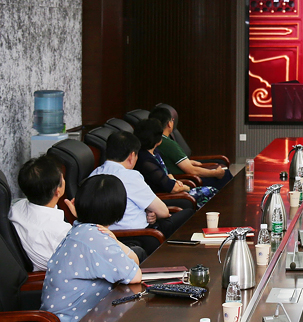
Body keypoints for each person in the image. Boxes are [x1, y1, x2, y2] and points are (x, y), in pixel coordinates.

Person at [40, 174, 142, 322]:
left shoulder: (81, 230)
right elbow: (135, 276)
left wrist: (114, 241)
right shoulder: (94, 238)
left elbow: (134, 264)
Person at [89, 131, 193, 254]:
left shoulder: (93, 175)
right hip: (141, 236)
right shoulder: (130, 176)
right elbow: (163, 212)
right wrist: (152, 213)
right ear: (132, 156)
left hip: (104, 238)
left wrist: (147, 212)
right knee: (189, 213)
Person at [133, 118, 217, 208]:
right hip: (163, 198)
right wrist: (185, 187)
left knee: (212, 191)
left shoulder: (154, 151)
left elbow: (166, 171)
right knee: (211, 193)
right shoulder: (146, 161)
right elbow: (172, 188)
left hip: (173, 190)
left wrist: (174, 181)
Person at [8, 155, 72, 271]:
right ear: (58, 191)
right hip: (49, 277)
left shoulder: (16, 207)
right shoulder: (61, 232)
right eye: (62, 178)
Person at [149, 107, 232, 190]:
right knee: (226, 174)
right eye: (172, 120)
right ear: (169, 124)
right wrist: (215, 173)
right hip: (188, 180)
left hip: (176, 179)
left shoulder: (153, 141)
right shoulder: (167, 144)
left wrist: (188, 162)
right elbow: (192, 171)